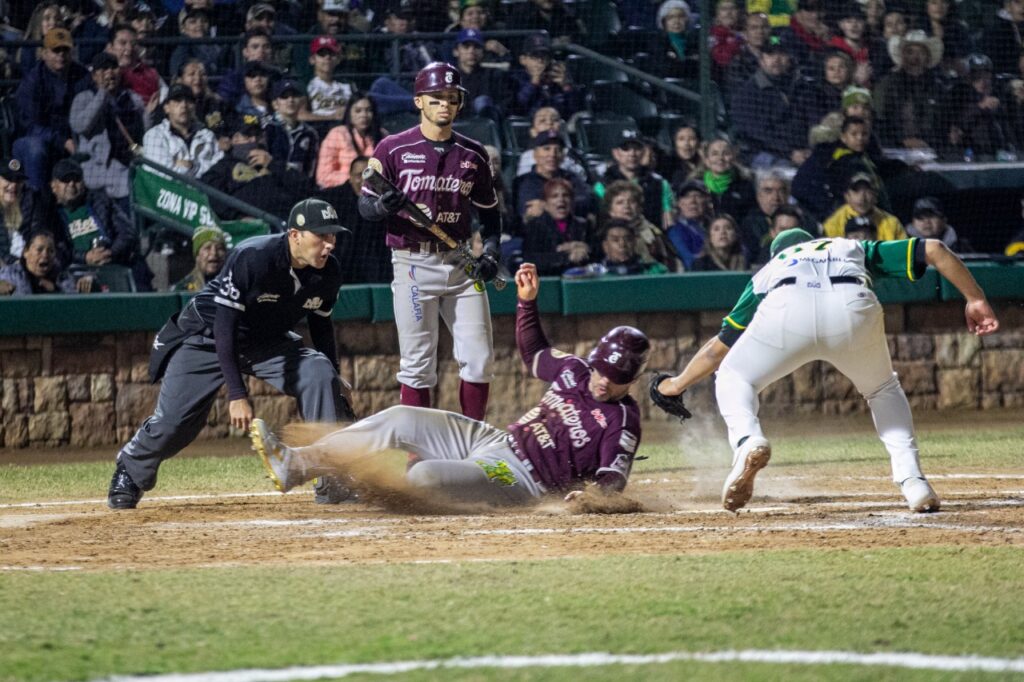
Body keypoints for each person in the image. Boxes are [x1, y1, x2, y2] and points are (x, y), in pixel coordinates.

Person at [653, 228, 1000, 513]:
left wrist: (676, 384)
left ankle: (747, 440)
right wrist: (976, 298)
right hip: (852, 305)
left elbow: (717, 349)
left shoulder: (772, 268)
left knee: (734, 376)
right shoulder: (848, 246)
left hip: (787, 307)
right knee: (881, 389)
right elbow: (936, 248)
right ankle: (913, 483)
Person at [251, 262, 647, 506]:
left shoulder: (622, 420)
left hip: (521, 480)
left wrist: (593, 499)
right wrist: (527, 302)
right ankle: (297, 464)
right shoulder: (576, 371)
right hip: (494, 442)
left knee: (423, 476)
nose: (602, 382)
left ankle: (374, 488)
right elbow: (535, 354)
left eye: (615, 379)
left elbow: (614, 474)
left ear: (630, 380)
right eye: (600, 371)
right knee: (400, 418)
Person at [106, 199, 355, 510]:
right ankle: (130, 468)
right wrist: (237, 393)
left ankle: (330, 474)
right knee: (176, 424)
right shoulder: (254, 256)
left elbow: (320, 323)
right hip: (207, 338)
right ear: (295, 235)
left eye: (333, 236)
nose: (329, 244)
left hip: (267, 340)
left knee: (317, 371)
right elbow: (225, 325)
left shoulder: (328, 271)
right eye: (322, 236)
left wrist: (333, 372)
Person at [357, 62, 503, 421]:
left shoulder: (473, 154)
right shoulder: (392, 149)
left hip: (461, 262)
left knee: (479, 360)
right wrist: (382, 205)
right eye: (437, 97)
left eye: (452, 98)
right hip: (411, 262)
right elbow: (364, 206)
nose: (445, 104)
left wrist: (493, 253)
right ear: (419, 101)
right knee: (418, 364)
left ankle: (469, 443)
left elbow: (490, 215)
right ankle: (416, 453)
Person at [13, 27, 90, 191]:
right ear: (44, 53)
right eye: (56, 50)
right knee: (36, 148)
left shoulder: (81, 74)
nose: (61, 55)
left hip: (73, 138)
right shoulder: (33, 81)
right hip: (33, 140)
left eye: (65, 50)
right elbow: (30, 126)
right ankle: (37, 204)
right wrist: (63, 141)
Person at [69, 52, 145, 210]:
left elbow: (145, 131)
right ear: (94, 75)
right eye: (104, 70)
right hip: (97, 166)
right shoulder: (84, 98)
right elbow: (80, 126)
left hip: (128, 163)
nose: (110, 73)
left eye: (113, 68)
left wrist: (149, 115)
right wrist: (102, 94)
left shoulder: (132, 98)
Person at [873, 30, 945, 149]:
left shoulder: (937, 87)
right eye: (910, 52)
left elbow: (942, 121)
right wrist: (901, 141)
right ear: (902, 55)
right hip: (893, 148)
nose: (915, 57)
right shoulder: (886, 84)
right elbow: (880, 121)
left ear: (927, 57)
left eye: (921, 52)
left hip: (931, 148)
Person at [594, 129, 674, 230]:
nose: (632, 153)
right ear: (616, 153)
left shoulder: (659, 184)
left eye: (637, 148)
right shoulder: (603, 184)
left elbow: (668, 221)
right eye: (626, 149)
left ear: (643, 152)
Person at [512, 130, 591, 228]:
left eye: (557, 150)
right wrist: (565, 205)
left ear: (562, 156)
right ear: (535, 154)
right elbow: (529, 210)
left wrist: (545, 206)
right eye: (546, 149)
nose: (552, 155)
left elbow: (586, 202)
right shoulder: (523, 181)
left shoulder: (572, 178)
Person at [143, 84, 224, 179]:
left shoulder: (208, 135)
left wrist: (191, 166)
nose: (184, 105)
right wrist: (201, 169)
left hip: (205, 192)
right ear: (166, 108)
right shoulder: (154, 135)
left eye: (189, 101)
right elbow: (160, 175)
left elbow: (220, 169)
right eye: (177, 101)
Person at [519, 177, 590, 275]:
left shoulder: (583, 225)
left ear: (572, 201)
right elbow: (531, 259)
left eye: (566, 195)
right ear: (545, 203)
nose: (561, 200)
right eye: (554, 196)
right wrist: (566, 256)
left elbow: (595, 252)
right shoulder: (534, 227)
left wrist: (583, 248)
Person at [317, 94, 383, 189]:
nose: (363, 115)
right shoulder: (337, 134)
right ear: (349, 114)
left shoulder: (383, 135)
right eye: (358, 111)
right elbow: (323, 176)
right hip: (342, 191)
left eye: (369, 110)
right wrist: (356, 179)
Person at [0, 230, 89, 296]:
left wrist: (55, 291)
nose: (45, 255)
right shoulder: (10, 274)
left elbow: (72, 305)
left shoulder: (62, 277)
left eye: (51, 251)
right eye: (39, 250)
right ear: (25, 252)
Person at [823, 172, 906, 240]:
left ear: (875, 196)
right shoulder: (833, 224)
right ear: (847, 196)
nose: (862, 198)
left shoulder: (892, 223)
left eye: (868, 191)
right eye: (856, 191)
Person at [265, 79, 320, 178]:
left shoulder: (310, 133)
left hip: (299, 186)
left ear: (302, 102)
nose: (290, 100)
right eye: (284, 97)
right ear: (275, 104)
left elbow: (310, 167)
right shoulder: (267, 128)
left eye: (295, 96)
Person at [0, 159, 47, 265]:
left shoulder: (31, 201)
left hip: (27, 264)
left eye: (18, 180)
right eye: (9, 179)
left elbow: (37, 232)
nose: (13, 185)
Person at [738, 169, 790, 263]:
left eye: (781, 191)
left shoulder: (803, 219)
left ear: (788, 195)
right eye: (768, 191)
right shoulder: (749, 224)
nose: (776, 197)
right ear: (759, 196)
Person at [303, 35, 352, 121]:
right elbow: (300, 115)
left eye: (331, 54)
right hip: (318, 129)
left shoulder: (348, 85)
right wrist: (331, 117)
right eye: (322, 54)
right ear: (312, 59)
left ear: (338, 59)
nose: (327, 57)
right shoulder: (305, 85)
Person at [666, 178, 711, 270]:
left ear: (707, 201)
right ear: (679, 203)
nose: (692, 201)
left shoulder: (717, 226)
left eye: (698, 196)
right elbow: (690, 262)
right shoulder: (675, 232)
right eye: (686, 196)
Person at [906, 197, 975, 254]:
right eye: (920, 217)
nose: (926, 221)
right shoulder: (902, 245)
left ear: (944, 220)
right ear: (913, 222)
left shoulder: (961, 247)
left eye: (932, 216)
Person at [598, 219, 668, 275]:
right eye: (615, 240)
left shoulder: (656, 271)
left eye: (628, 239)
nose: (622, 244)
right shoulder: (595, 275)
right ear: (605, 246)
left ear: (634, 243)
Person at [172, 224, 228, 292]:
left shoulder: (235, 285)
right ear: (197, 255)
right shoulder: (184, 288)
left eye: (219, 248)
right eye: (207, 248)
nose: (214, 253)